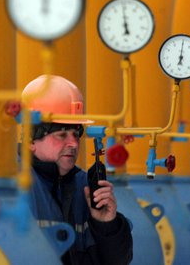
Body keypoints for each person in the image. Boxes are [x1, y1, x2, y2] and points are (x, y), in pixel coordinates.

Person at [22, 74, 133, 265]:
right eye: (62, 134)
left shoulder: (86, 186)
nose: (73, 143)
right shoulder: (15, 185)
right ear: (31, 140)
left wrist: (106, 224)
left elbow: (119, 261)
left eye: (76, 134)